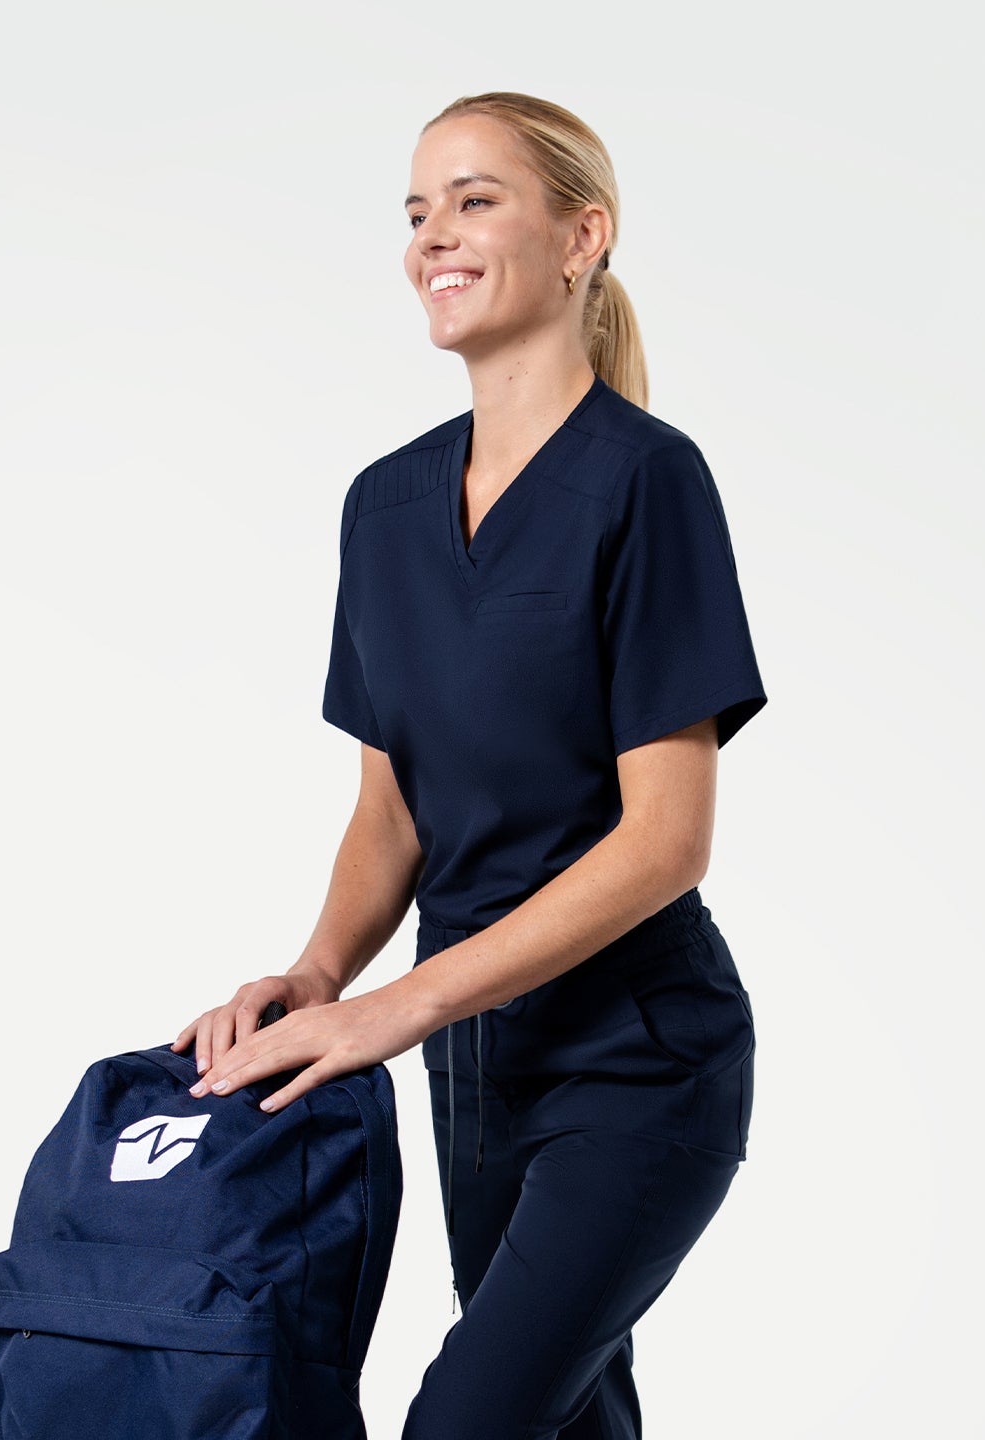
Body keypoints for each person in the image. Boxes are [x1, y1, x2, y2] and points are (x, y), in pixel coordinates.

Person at [175, 90, 769, 1439]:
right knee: (564, 1423)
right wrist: (316, 979)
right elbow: (390, 814)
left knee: (468, 1424)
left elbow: (667, 839)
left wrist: (395, 1010)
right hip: (479, 1071)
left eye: (476, 198)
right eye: (416, 209)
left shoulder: (645, 484)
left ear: (583, 237)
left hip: (640, 1060)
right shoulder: (383, 506)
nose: (433, 233)